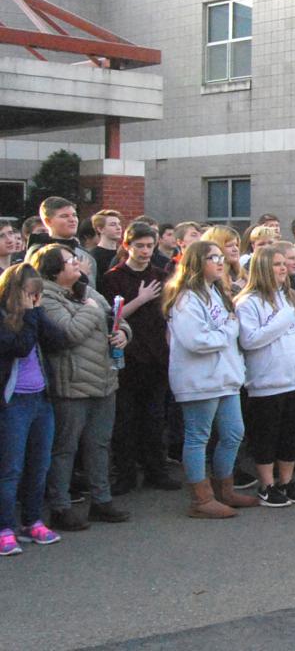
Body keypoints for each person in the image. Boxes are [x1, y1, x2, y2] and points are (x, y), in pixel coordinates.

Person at [31, 244, 132, 532]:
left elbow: (117, 316)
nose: (77, 264)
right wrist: (90, 311)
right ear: (53, 269)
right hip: (72, 385)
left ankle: (101, 500)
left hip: (104, 380)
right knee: (65, 448)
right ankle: (60, 507)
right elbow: (68, 333)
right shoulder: (47, 297)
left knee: (100, 444)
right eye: (69, 261)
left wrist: (123, 333)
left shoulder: (87, 291)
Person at [161, 241, 256, 518]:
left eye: (219, 257)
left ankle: (224, 488)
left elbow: (227, 325)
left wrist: (228, 327)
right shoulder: (185, 298)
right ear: (196, 262)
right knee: (197, 437)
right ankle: (201, 500)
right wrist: (228, 328)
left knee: (233, 432)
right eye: (212, 257)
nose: (219, 262)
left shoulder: (213, 292)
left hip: (225, 376)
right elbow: (197, 340)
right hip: (199, 379)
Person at [235, 246, 295, 507]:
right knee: (266, 436)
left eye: (285, 263)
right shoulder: (247, 302)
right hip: (265, 383)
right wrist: (282, 318)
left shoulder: (294, 299)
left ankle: (285, 481)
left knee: (290, 436)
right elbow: (250, 340)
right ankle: (267, 484)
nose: (283, 268)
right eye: (276, 264)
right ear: (262, 268)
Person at [98, 222, 179, 495]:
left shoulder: (160, 274)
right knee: (126, 421)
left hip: (157, 357)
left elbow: (169, 313)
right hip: (128, 359)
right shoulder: (113, 277)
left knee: (155, 420)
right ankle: (125, 474)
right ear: (127, 246)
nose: (145, 251)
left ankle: (156, 471)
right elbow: (111, 317)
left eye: (149, 246)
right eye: (139, 246)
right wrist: (142, 298)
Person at [0, 264, 69, 555]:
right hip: (13, 401)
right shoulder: (5, 319)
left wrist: (37, 313)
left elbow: (60, 341)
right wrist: (30, 316)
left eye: (37, 294)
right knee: (11, 468)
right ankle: (5, 527)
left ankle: (32, 521)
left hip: (41, 399)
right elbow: (19, 346)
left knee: (39, 465)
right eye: (29, 294)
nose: (33, 299)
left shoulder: (33, 315)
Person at [26, 197, 98, 288]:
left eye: (74, 215)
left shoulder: (85, 254)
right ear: (48, 221)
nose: (72, 220)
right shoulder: (39, 253)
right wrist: (81, 275)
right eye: (64, 216)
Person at [201, 226, 246, 293]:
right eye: (229, 246)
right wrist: (235, 290)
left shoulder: (241, 272)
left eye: (236, 245)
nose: (235, 249)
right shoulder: (211, 276)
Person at [89, 210, 123, 274]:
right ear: (100, 229)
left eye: (119, 224)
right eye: (113, 224)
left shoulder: (122, 253)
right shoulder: (94, 256)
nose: (118, 228)